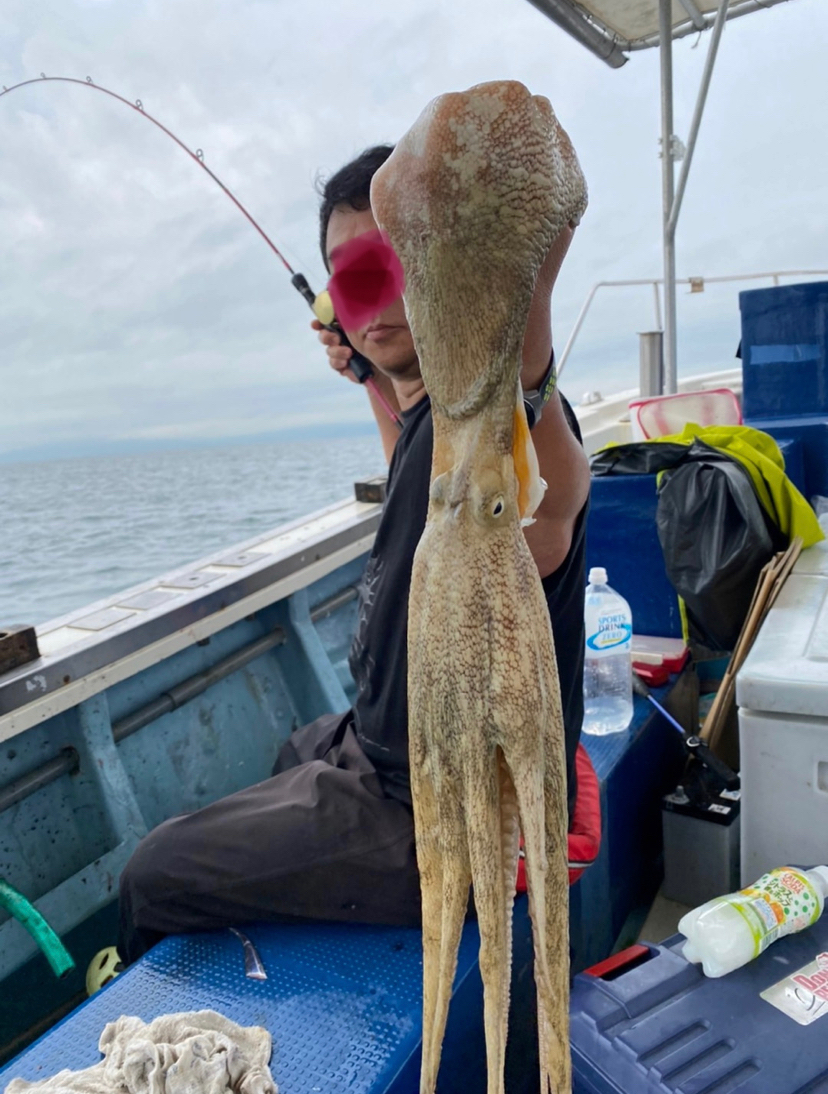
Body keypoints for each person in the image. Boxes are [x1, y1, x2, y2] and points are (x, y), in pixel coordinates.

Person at [114, 145, 590, 967]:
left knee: (151, 873)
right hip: (386, 752)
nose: (378, 289)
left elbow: (552, 499)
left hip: (446, 813)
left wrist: (527, 334)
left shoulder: (494, 419)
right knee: (299, 746)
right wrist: (372, 374)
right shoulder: (422, 416)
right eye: (355, 274)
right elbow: (412, 446)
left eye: (406, 259)